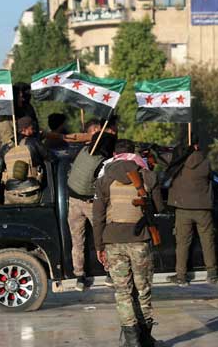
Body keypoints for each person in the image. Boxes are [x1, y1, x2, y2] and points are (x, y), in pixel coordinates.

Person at [93, 139, 162, 346]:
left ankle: (133, 342)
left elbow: (98, 218)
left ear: (114, 154)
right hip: (140, 241)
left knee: (122, 292)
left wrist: (98, 246)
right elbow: (158, 207)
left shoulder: (104, 179)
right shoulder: (147, 175)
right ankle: (145, 338)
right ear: (134, 153)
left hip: (113, 241)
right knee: (143, 290)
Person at [166, 139, 218, 286]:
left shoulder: (179, 163)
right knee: (208, 241)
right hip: (203, 209)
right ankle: (212, 274)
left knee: (182, 243)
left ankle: (181, 276)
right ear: (197, 146)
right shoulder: (206, 163)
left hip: (183, 208)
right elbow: (211, 179)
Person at [66, 119, 114, 291]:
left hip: (72, 201)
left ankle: (79, 276)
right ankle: (109, 273)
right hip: (89, 202)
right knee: (102, 237)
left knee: (77, 241)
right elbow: (103, 183)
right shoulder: (101, 161)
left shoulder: (83, 151)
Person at [0, 118, 49, 204]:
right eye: (32, 128)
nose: (34, 131)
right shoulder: (34, 143)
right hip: (31, 194)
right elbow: (51, 158)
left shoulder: (5, 148)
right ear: (24, 130)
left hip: (11, 195)